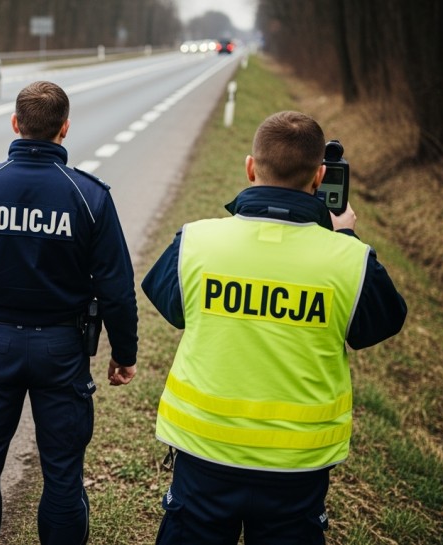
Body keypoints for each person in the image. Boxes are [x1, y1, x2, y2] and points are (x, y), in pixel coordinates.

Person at [141, 110, 407, 544]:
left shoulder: (195, 242)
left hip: (204, 455)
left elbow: (173, 309)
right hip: (297, 468)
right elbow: (380, 323)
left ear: (251, 168)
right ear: (320, 177)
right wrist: (344, 238)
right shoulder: (351, 261)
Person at [0, 81, 139, 545]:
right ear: (65, 128)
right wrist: (123, 353)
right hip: (62, 350)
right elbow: (116, 288)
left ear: (15, 124)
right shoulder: (89, 197)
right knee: (63, 474)